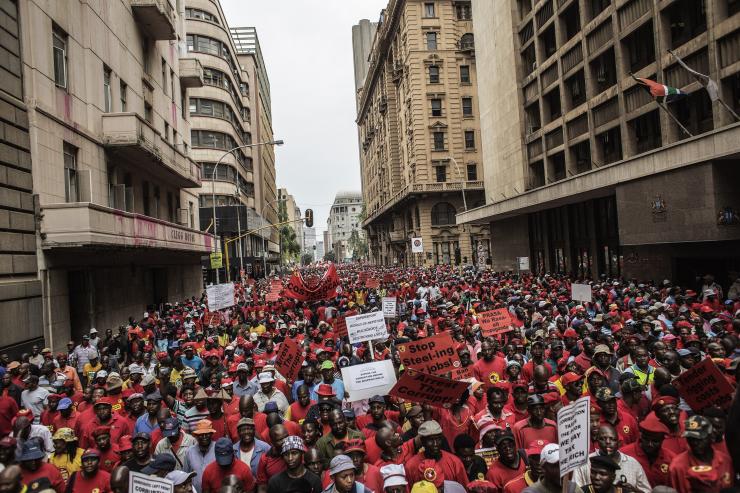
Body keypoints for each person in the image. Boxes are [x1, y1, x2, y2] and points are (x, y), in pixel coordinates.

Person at [572, 425, 651, 493]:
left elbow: (647, 490)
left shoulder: (633, 463)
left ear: (619, 443)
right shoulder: (584, 462)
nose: (608, 442)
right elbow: (576, 488)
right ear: (597, 441)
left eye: (612, 439)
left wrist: (632, 490)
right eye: (603, 439)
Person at [668, 415, 734, 493]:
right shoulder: (677, 467)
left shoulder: (726, 461)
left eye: (700, 438)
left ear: (711, 437)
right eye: (691, 439)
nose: (695, 443)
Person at [619, 413, 675, 487]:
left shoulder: (671, 458)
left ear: (662, 440)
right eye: (646, 439)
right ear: (641, 436)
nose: (650, 444)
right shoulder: (624, 454)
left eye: (655, 441)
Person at [404, 420, 467, 486]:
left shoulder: (455, 463)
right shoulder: (411, 466)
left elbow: (464, 488)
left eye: (438, 439)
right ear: (422, 441)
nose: (435, 444)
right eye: (430, 440)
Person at [184, 419, 216, 493]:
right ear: (196, 436)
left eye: (207, 433)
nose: (204, 436)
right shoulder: (189, 452)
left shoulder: (217, 449)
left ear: (211, 434)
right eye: (201, 434)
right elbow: (186, 475)